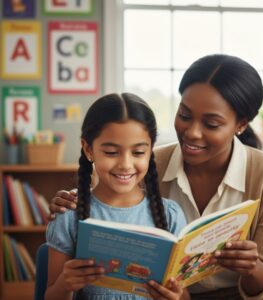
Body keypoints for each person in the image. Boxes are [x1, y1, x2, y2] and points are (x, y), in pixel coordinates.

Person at [49, 54, 263, 300]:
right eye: (185, 115)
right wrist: (71, 199)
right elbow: (100, 195)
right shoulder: (146, 162)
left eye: (211, 124)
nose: (192, 133)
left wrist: (251, 267)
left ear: (241, 125)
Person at [45, 93, 190, 300]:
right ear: (88, 149)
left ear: (150, 151)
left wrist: (175, 296)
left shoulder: (170, 215)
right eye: (111, 152)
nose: (125, 164)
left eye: (138, 152)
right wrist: (65, 284)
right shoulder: (68, 215)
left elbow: (184, 295)